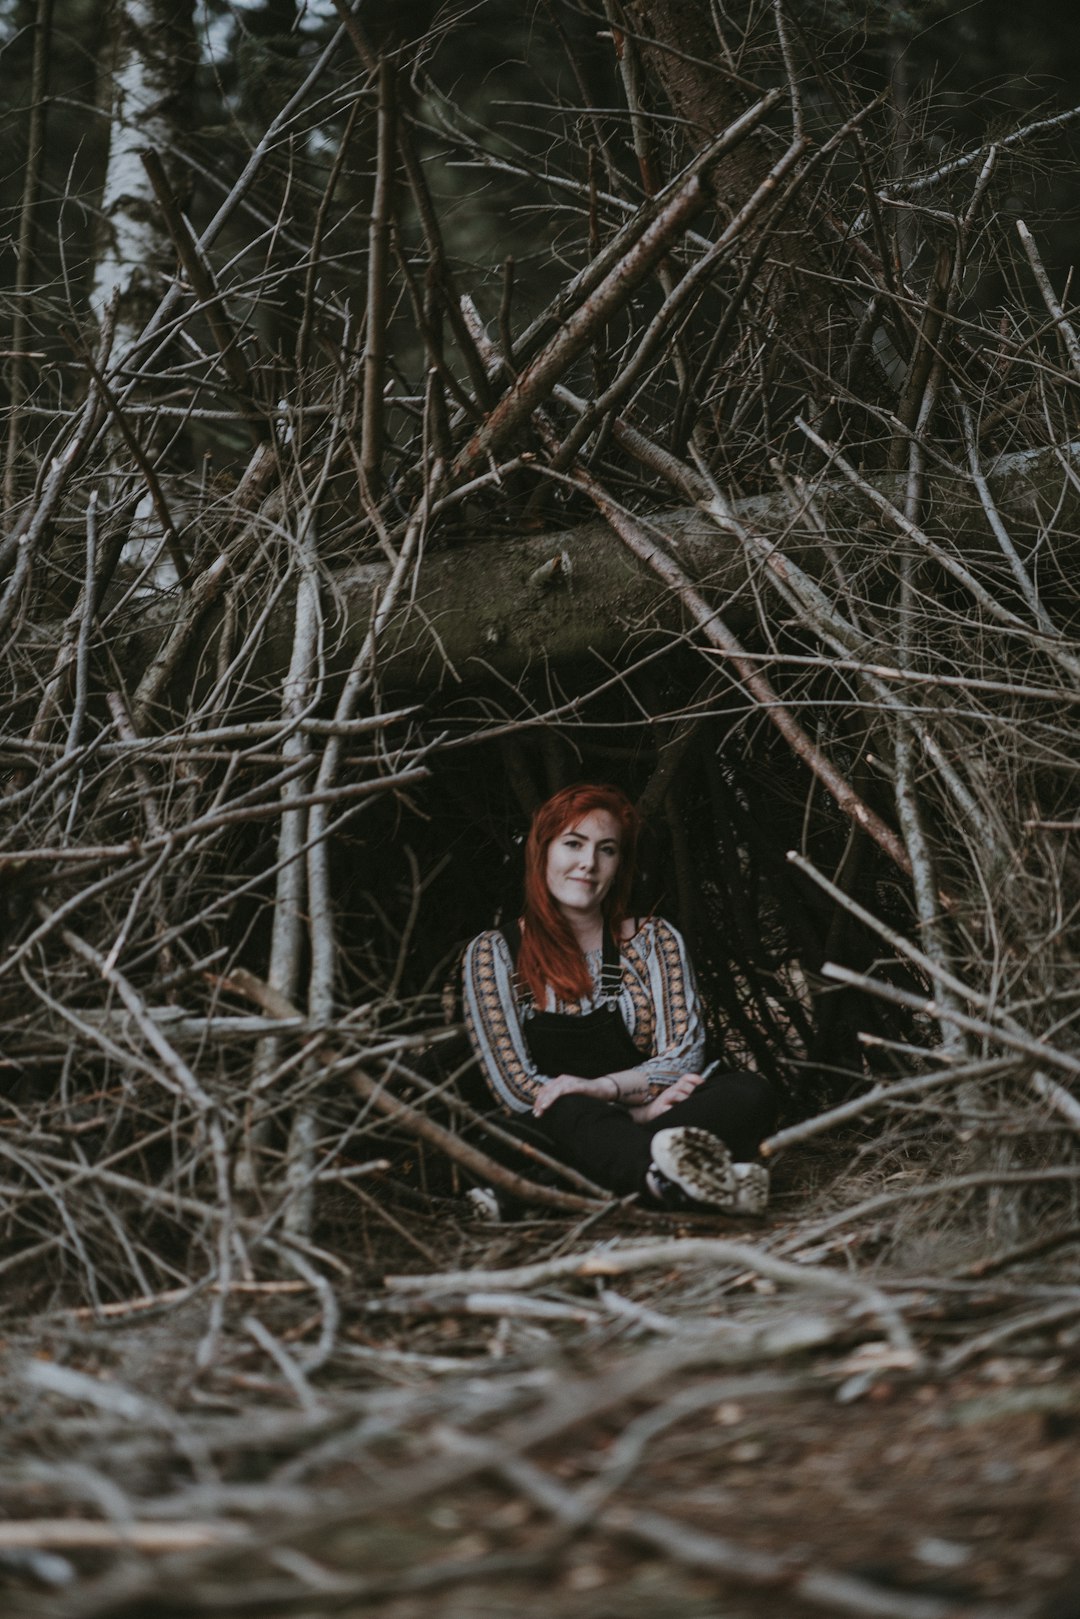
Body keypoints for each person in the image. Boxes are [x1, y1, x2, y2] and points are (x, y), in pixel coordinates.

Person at [461, 783, 777, 1213]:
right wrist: (635, 1115)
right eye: (573, 844)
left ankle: (553, 1194)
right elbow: (517, 1090)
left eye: (606, 850)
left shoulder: (653, 940)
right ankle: (667, 1180)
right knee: (554, 1110)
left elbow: (683, 1055)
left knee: (747, 1094)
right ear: (543, 852)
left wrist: (600, 1089)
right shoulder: (494, 953)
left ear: (619, 865)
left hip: (646, 1123)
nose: (588, 863)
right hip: (555, 1125)